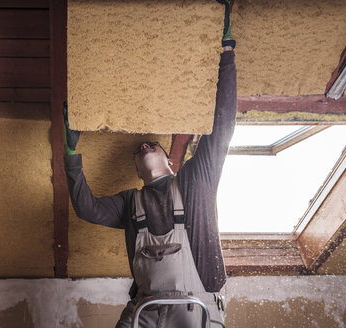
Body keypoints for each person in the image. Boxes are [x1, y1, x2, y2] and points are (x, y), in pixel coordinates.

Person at [63, 1, 236, 326]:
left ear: (172, 164)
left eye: (152, 143)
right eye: (140, 149)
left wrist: (226, 49)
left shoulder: (195, 182)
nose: (143, 144)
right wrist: (70, 154)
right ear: (136, 172)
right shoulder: (131, 203)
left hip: (197, 314)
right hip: (145, 316)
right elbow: (87, 208)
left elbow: (223, 123)